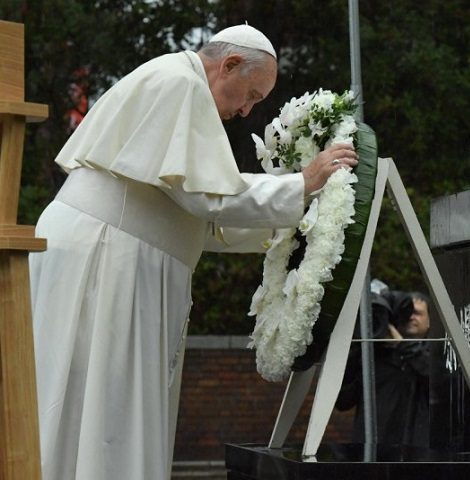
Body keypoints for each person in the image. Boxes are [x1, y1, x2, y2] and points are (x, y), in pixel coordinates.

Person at [29, 24, 358, 480]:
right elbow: (209, 200)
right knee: (98, 407)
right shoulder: (178, 84)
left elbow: (199, 220)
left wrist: (290, 221)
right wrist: (300, 185)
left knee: (104, 408)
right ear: (229, 65)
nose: (246, 110)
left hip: (115, 254)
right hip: (104, 257)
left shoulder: (181, 86)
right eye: (251, 95)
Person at [336, 289, 432, 447]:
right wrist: (356, 350)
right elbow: (343, 402)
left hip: (416, 451)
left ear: (429, 322)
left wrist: (403, 346)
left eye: (417, 313)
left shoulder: (435, 356)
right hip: (374, 450)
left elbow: (436, 382)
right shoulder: (372, 355)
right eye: (407, 312)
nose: (411, 317)